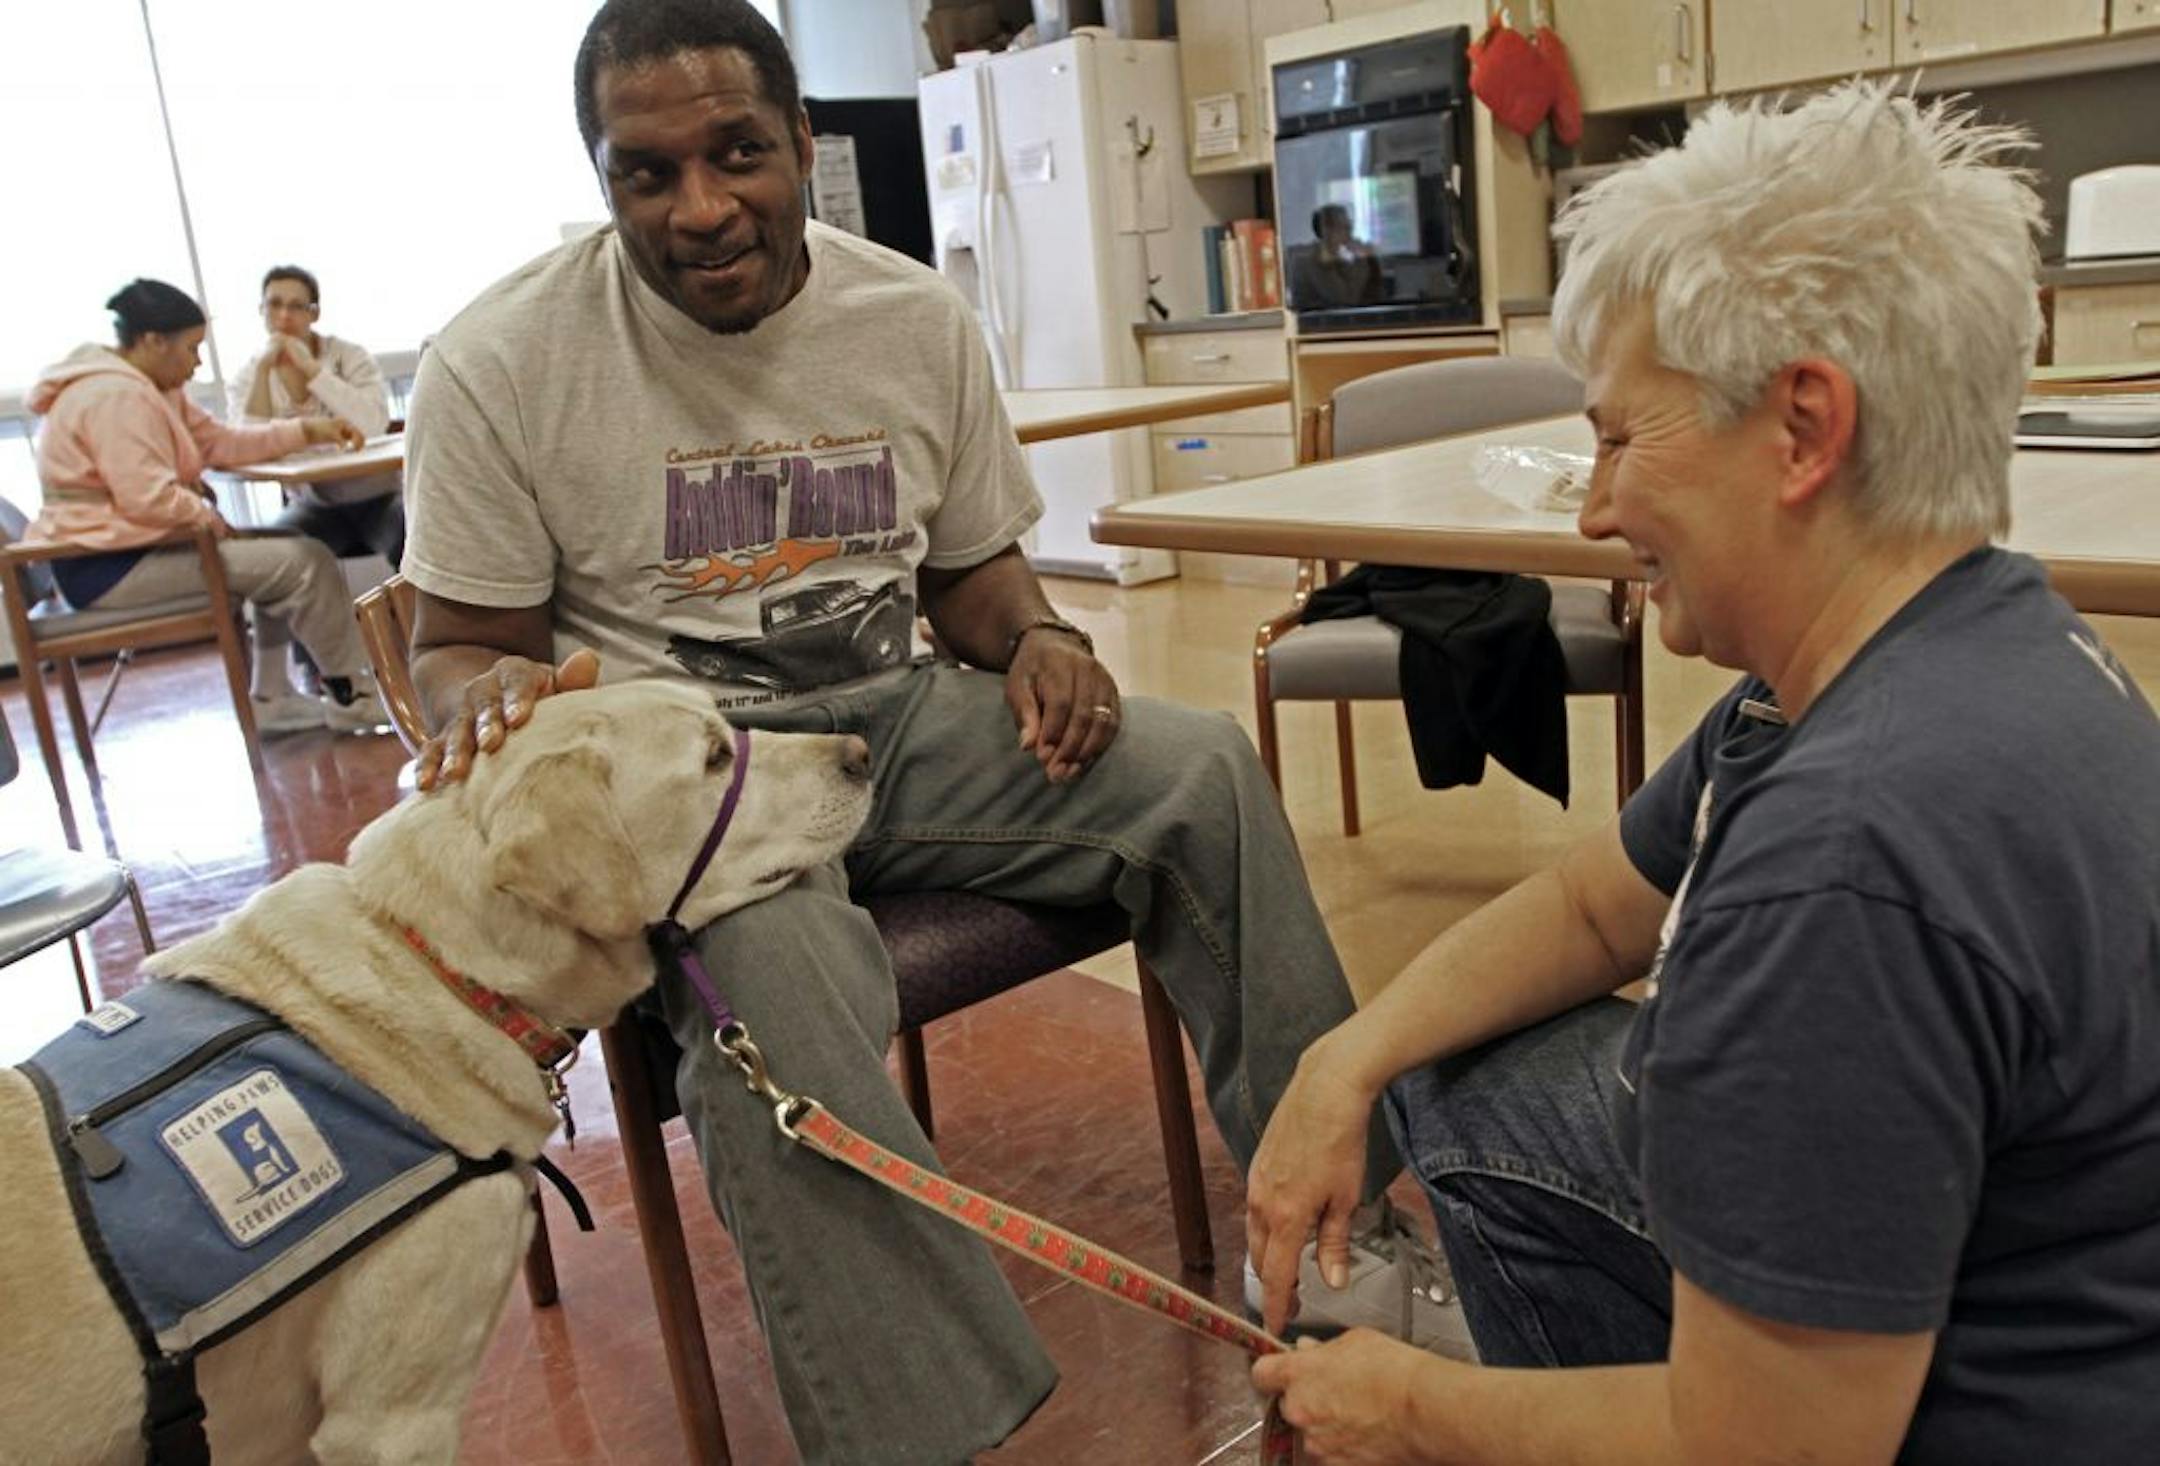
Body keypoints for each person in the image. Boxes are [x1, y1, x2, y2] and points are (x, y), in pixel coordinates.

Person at [399, 3, 1449, 1460]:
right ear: (601, 180)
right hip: (686, 786)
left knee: (1197, 766)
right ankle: (921, 1431)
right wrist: (480, 698)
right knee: (775, 965)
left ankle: (1348, 1238)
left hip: (887, 722)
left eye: (737, 154)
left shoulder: (909, 317)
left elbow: (966, 573)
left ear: (806, 146)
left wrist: (1040, 637)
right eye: (647, 175)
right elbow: (459, 645)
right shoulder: (500, 362)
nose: (700, 209)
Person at [1246, 82, 2160, 1464]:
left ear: (1801, 427)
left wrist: (1414, 1407)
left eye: (1622, 435)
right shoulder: (1965, 644)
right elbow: (1596, 905)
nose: (1596, 504)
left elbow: (1778, 1448)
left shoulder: (1842, 864)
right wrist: (1343, 1056)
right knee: (1450, 1063)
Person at [28, 278, 389, 735]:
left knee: (289, 549)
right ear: (153, 342)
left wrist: (308, 431)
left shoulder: (150, 388)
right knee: (303, 560)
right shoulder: (113, 396)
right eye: (191, 349)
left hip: (124, 552)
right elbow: (149, 497)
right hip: (108, 568)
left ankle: (274, 696)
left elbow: (220, 442)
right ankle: (352, 697)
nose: (197, 363)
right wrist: (211, 519)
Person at [229, 264, 406, 701]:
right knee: (280, 549)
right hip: (316, 503)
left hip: (377, 496)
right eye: (274, 305)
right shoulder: (253, 372)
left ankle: (426, 647)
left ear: (315, 312)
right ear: (261, 311)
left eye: (296, 306)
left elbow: (372, 421)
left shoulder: (348, 357)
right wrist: (268, 370)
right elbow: (245, 441)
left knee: (414, 527)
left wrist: (313, 373)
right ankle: (323, 677)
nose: (284, 317)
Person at [1288, 203, 1384, 310]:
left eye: (1349, 224)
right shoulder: (1306, 263)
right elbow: (1345, 299)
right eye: (1343, 226)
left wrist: (1367, 258)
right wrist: (1360, 258)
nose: (1350, 231)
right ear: (1326, 231)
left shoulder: (1344, 257)